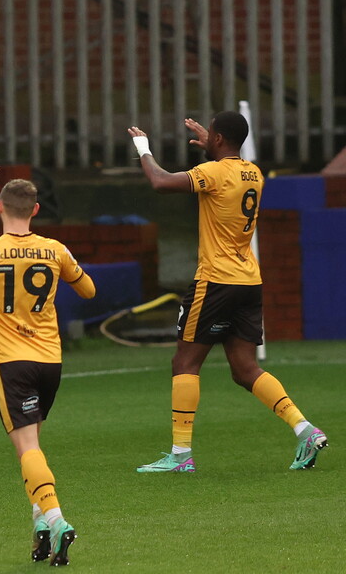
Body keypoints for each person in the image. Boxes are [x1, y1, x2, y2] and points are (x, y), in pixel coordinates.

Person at [128, 113, 327, 473]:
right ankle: (305, 430)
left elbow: (160, 181)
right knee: (244, 368)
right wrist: (214, 147)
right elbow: (227, 172)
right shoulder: (255, 173)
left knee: (185, 363)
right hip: (249, 280)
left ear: (217, 138)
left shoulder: (214, 174)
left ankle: (180, 456)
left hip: (215, 281)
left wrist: (143, 148)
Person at [0, 179, 95, 567]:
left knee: (27, 449)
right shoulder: (55, 250)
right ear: (35, 210)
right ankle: (40, 529)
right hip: (50, 361)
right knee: (33, 447)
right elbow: (89, 291)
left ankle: (57, 519)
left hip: (11, 362)